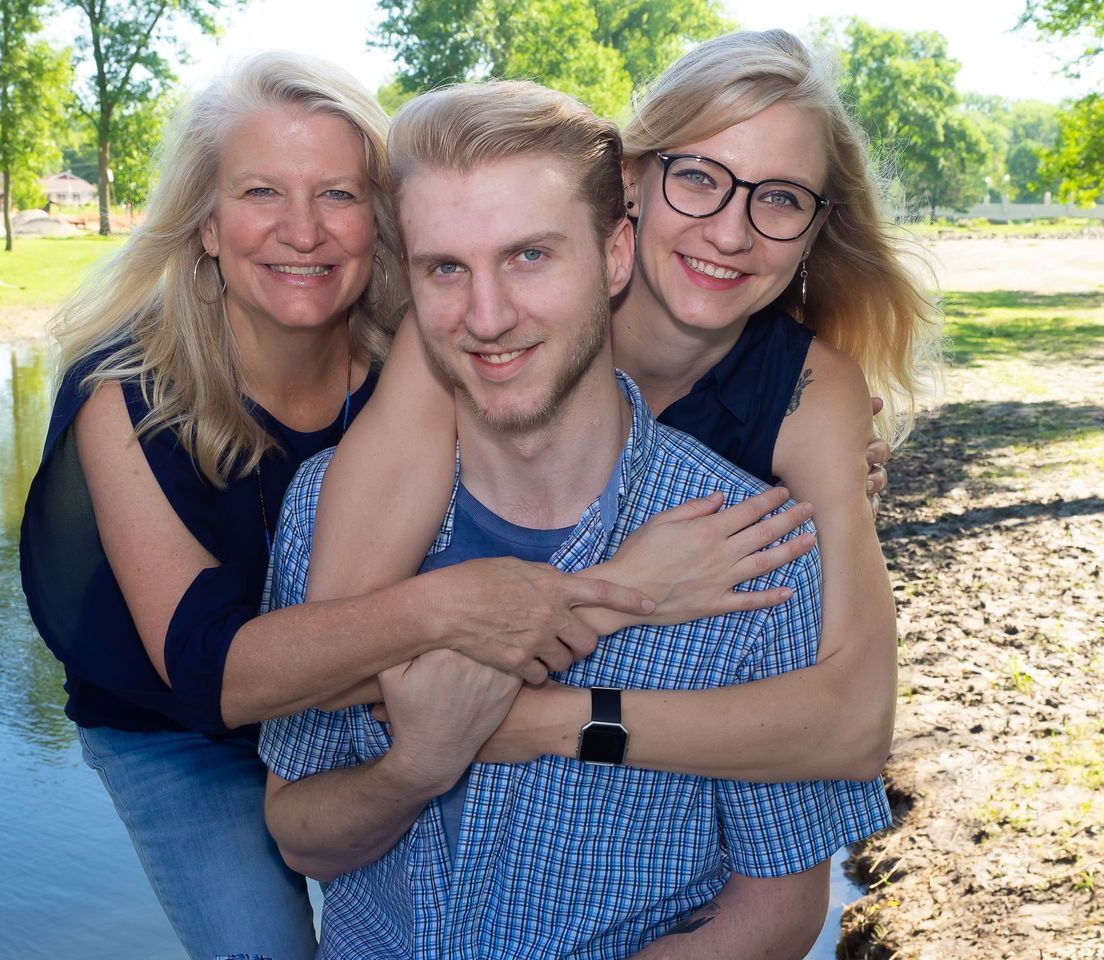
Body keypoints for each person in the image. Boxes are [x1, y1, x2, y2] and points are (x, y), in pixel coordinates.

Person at [18, 53, 777, 960]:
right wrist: (609, 587)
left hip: (341, 698)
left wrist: (804, 444)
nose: (303, 231)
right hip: (182, 724)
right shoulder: (125, 394)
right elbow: (215, 677)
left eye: (337, 195)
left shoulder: (419, 352)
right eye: (262, 192)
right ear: (207, 224)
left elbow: (574, 346)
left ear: (381, 228)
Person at [260, 79, 890, 959]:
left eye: (530, 257)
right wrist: (416, 765)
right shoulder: (342, 494)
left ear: (612, 251)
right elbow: (303, 815)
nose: (487, 316)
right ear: (638, 186)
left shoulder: (760, 535)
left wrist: (535, 719)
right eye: (445, 267)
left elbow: (794, 877)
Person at [307, 28, 937, 785]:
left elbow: (855, 725)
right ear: (631, 182)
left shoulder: (810, 395)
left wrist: (541, 721)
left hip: (642, 817)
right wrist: (625, 593)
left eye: (778, 198)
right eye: (700, 178)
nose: (731, 233)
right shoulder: (494, 325)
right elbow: (335, 657)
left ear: (815, 227)